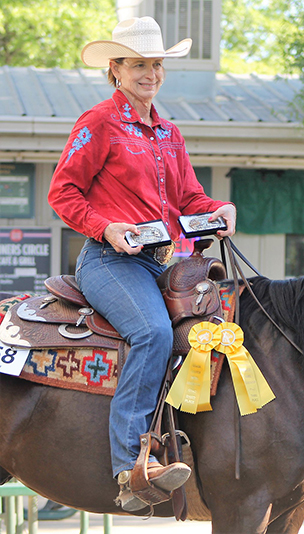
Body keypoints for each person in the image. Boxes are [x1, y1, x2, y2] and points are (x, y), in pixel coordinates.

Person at [48, 17, 236, 512]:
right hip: (110, 261)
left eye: (155, 64)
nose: (149, 73)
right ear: (116, 70)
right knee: (153, 333)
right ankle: (131, 466)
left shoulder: (169, 134)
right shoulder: (98, 123)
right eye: (138, 65)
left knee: (218, 328)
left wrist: (217, 211)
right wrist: (106, 227)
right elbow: (62, 191)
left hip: (165, 262)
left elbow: (190, 197)